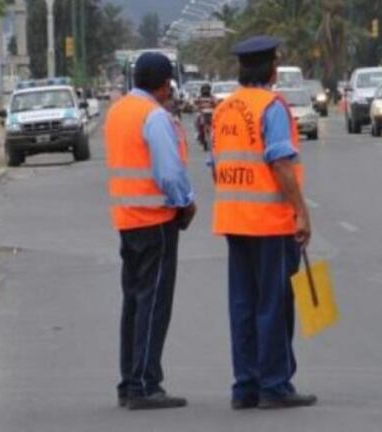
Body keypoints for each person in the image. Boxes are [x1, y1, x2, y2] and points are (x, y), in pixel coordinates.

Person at [211, 35, 317, 411]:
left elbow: (216, 166)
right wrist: (301, 211)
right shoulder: (272, 107)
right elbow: (280, 164)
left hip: (234, 221)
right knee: (273, 305)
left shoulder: (224, 110)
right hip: (270, 223)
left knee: (243, 305)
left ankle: (246, 386)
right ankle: (274, 385)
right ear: (272, 68)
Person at [104, 51, 196, 410]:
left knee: (134, 302)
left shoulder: (119, 112)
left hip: (128, 219)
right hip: (155, 220)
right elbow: (169, 173)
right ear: (164, 84)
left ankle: (129, 381)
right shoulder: (154, 117)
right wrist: (185, 202)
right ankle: (145, 384)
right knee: (154, 304)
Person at [194, 82, 217, 147]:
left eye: (207, 89)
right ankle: (198, 133)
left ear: (209, 90)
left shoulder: (212, 97)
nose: (205, 91)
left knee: (215, 125)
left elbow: (216, 104)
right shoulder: (199, 98)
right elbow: (196, 104)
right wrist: (197, 108)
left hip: (211, 114)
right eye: (204, 89)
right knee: (196, 121)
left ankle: (215, 136)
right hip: (202, 114)